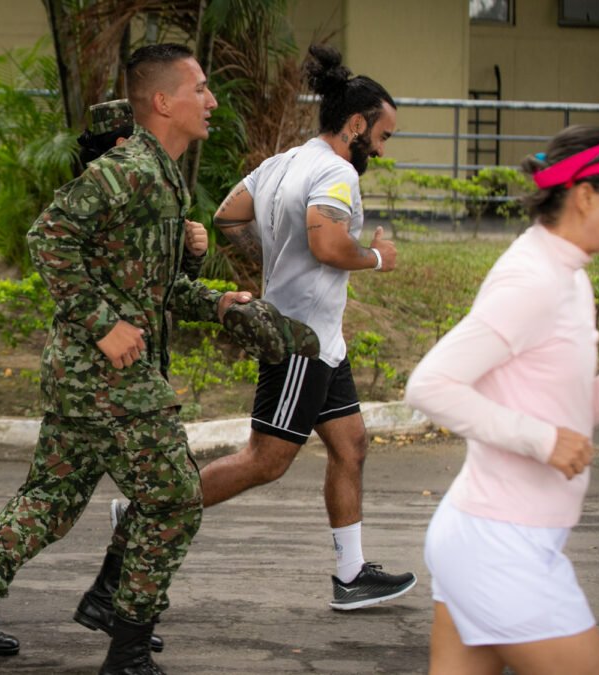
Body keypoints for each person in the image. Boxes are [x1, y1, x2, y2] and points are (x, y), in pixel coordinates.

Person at [0, 42, 254, 675]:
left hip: (89, 377)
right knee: (175, 499)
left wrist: (217, 300)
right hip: (109, 379)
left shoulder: (162, 173)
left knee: (50, 503)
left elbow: (150, 287)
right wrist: (103, 326)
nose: (211, 100)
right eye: (199, 89)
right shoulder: (131, 169)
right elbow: (48, 237)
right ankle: (125, 653)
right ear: (162, 101)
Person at [405, 126, 599, 675]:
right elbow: (430, 385)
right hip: (502, 549)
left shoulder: (567, 274)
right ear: (584, 194)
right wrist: (542, 441)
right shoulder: (533, 279)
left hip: (491, 539)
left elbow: (561, 412)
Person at [181, 43, 416, 611]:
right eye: (382, 137)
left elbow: (228, 215)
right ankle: (153, 511)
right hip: (298, 342)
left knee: (351, 444)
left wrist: (274, 253)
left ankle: (352, 573)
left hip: (323, 343)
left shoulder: (282, 162)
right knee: (266, 460)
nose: (380, 151)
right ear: (356, 124)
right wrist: (378, 256)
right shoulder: (337, 172)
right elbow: (327, 243)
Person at [80, 98, 208, 280]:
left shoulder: (151, 196)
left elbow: (171, 287)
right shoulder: (94, 201)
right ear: (123, 145)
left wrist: (193, 252)